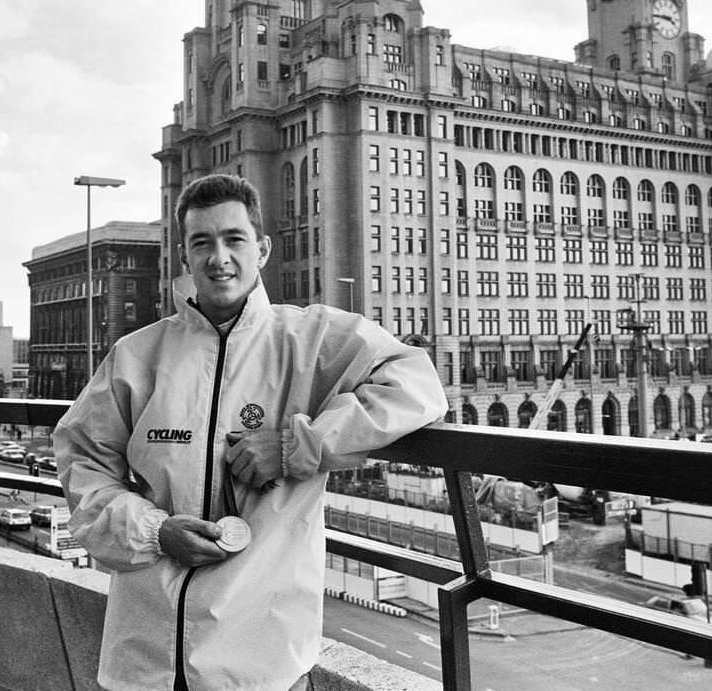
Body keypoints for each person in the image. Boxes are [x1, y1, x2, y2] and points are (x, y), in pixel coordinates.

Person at [55, 174, 447, 691]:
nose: (219, 257)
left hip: (260, 663)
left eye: (233, 239)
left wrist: (296, 445)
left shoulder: (311, 339)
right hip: (142, 658)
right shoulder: (137, 356)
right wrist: (154, 531)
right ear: (185, 257)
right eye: (203, 242)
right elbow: (82, 461)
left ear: (260, 249)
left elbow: (416, 383)